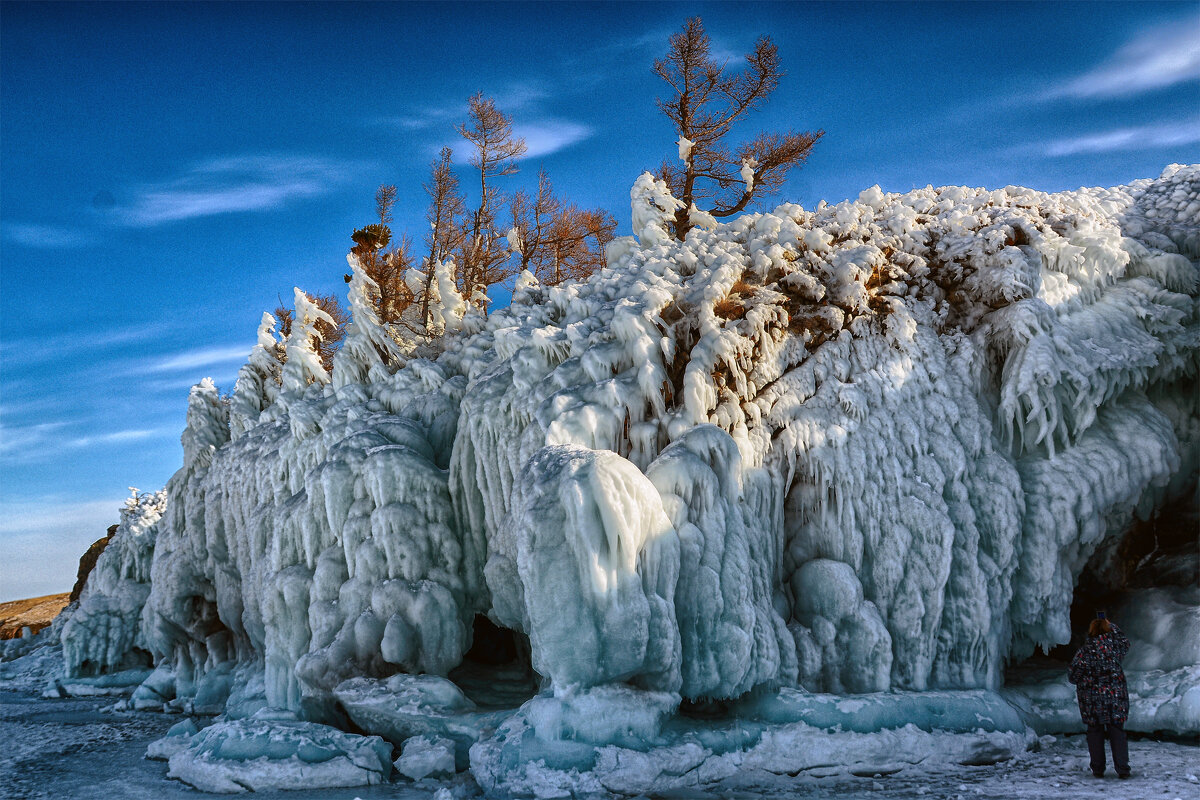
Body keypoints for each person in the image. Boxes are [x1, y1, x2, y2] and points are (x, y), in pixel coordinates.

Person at [1067, 612, 1131, 779]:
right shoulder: (1115, 649)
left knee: (1095, 733)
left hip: (1092, 700)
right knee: (1117, 732)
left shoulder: (1085, 652)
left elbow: (1073, 676)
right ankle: (1123, 769)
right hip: (1115, 699)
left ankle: (1098, 769)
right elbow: (1125, 641)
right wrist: (1112, 626)